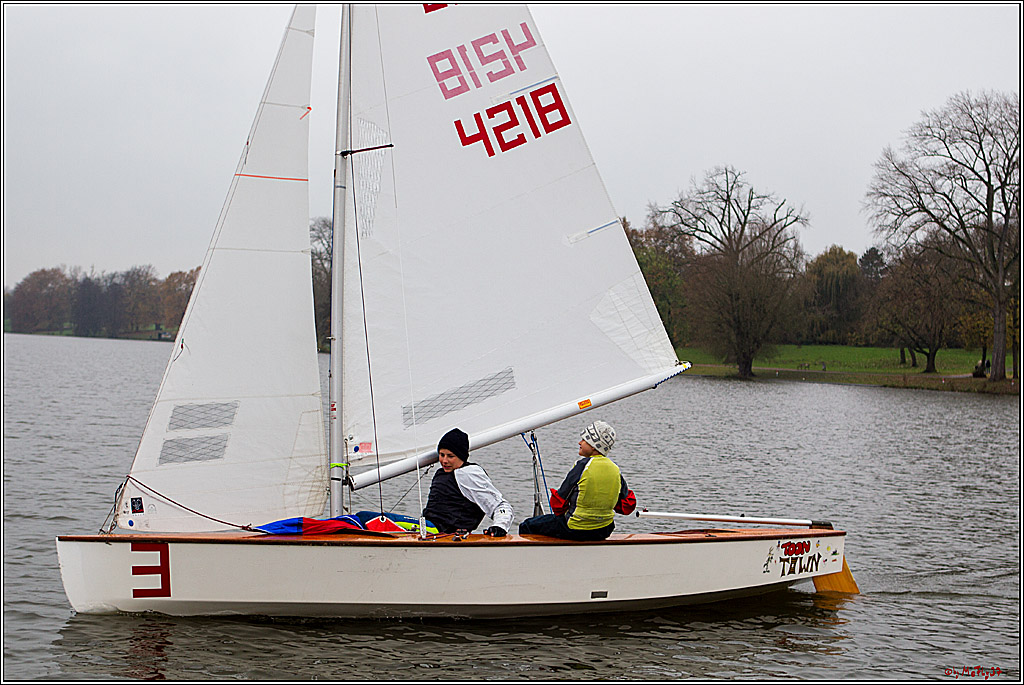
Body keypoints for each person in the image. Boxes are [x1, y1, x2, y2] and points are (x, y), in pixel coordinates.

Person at [518, 420, 636, 541]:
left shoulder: (583, 466)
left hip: (575, 528)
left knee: (527, 526)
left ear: (593, 445)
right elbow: (627, 506)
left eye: (584, 439)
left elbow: (557, 504)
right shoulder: (615, 470)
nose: (580, 442)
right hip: (603, 530)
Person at [422, 428, 514, 537]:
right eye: (442, 455)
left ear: (461, 456)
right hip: (427, 528)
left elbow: (500, 505)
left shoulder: (468, 474)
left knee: (395, 520)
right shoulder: (442, 472)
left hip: (443, 533)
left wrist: (500, 526)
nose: (444, 461)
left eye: (450, 456)